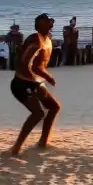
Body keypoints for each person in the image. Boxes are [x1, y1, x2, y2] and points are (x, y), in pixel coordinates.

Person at [10, 13, 60, 156]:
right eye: (46, 21)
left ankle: (43, 142)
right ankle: (16, 147)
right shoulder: (35, 40)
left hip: (34, 83)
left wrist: (47, 77)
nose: (50, 22)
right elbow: (24, 63)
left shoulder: (48, 40)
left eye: (50, 20)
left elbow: (38, 66)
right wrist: (36, 80)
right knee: (38, 113)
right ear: (39, 25)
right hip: (21, 83)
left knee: (54, 107)